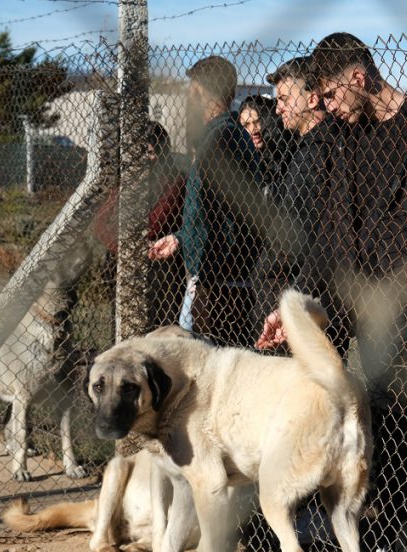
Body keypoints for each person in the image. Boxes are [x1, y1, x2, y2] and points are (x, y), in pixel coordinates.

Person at [257, 33, 407, 552]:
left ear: (358, 80)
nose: (327, 107)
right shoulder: (345, 138)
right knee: (383, 429)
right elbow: (330, 235)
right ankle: (402, 538)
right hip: (366, 311)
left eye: (332, 95)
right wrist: (299, 308)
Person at [148, 56, 260, 346]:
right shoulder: (231, 136)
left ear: (199, 92)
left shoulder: (220, 139)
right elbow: (218, 210)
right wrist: (180, 238)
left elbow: (208, 211)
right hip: (219, 279)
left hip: (214, 284)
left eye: (191, 89)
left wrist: (202, 276)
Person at [250, 56, 346, 343]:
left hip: (299, 301)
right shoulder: (302, 150)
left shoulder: (321, 152)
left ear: (312, 98)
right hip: (286, 298)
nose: (277, 108)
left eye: (284, 98)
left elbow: (308, 234)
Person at [92, 120, 186, 328]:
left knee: (156, 324)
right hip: (124, 261)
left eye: (151, 153)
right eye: (140, 153)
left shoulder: (174, 181)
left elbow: (155, 223)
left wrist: (126, 237)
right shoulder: (127, 181)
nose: (145, 160)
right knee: (121, 321)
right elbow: (100, 223)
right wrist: (122, 246)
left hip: (160, 266)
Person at [239, 95, 296, 189]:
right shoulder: (244, 160)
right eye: (246, 125)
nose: (253, 129)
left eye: (257, 122)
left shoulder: (288, 155)